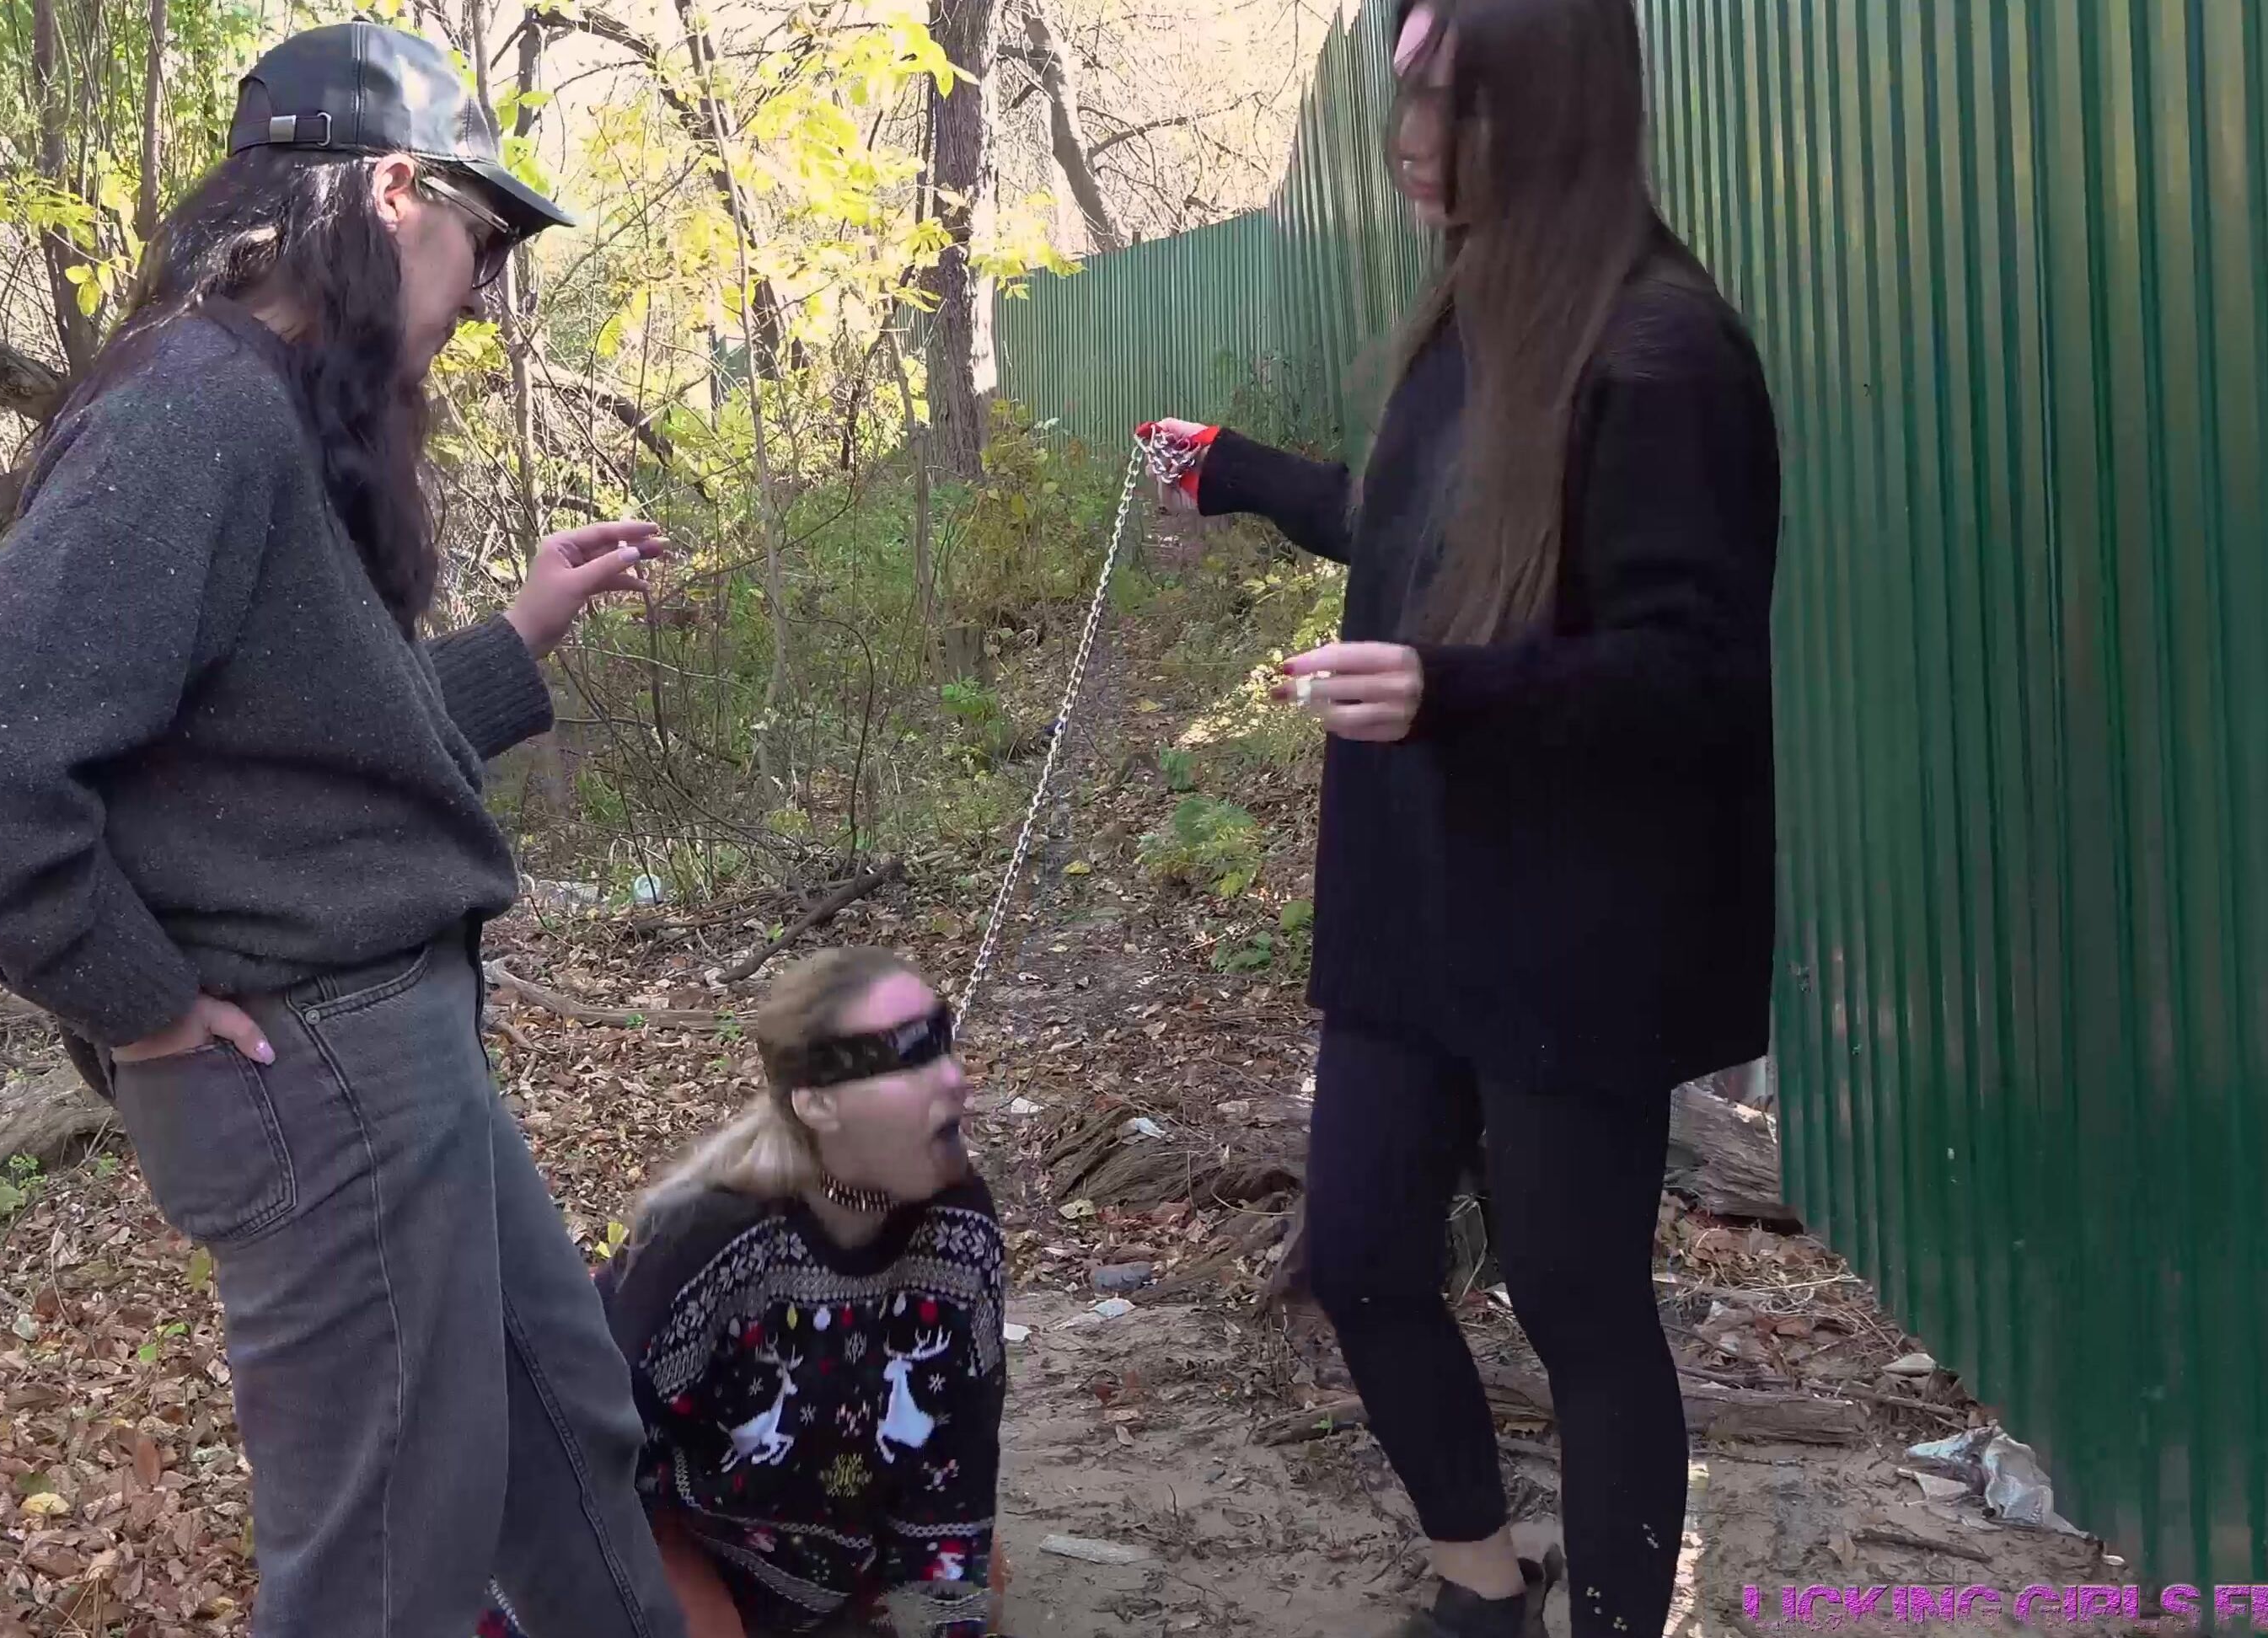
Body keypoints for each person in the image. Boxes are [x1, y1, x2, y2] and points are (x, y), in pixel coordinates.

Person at [0, 23, 690, 1638]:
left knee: (559, 1425)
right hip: (312, 1070)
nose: (487, 290)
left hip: (394, 1041)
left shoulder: (272, 408)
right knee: (388, 1560)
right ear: (394, 190)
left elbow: (305, 776)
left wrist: (516, 641)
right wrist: (141, 999)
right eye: (483, 237)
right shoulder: (196, 409)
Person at [1139, 1, 1780, 1635]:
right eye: (1407, 104)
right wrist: (1236, 472)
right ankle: (1482, 1584)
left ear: (1554, 109)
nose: (1411, 145)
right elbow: (1410, 521)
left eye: (1450, 109)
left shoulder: (1666, 348)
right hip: (1417, 902)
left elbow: (1688, 671)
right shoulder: (1474, 311)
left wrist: (1455, 692)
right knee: (1357, 1256)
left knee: (1579, 1309)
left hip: (1578, 923)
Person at [478, 948, 1007, 1638]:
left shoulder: (960, 1217)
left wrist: (946, 1612)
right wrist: (668, 1592)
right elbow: (586, 1450)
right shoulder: (708, 1235)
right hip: (682, 1520)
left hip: (828, 1523)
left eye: (945, 1039)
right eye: (909, 1056)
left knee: (976, 1587)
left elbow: (960, 1447)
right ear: (818, 1104)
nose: (957, 1079)